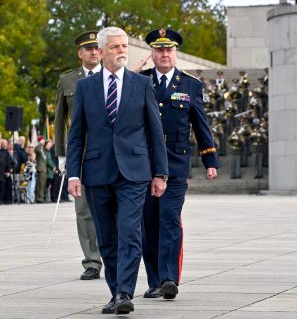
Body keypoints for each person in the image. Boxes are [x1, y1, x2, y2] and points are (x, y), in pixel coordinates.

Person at [66, 26, 168, 315]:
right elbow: (76, 135)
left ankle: (125, 291)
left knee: (130, 232)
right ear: (101, 51)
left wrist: (160, 173)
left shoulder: (141, 84)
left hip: (135, 172)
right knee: (107, 238)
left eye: (124, 46)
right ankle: (115, 291)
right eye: (115, 47)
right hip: (97, 172)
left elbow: (154, 131)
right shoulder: (85, 87)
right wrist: (73, 174)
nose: (122, 51)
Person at [136, 28, 219, 300]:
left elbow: (200, 124)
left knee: (169, 219)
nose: (164, 54)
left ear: (175, 53)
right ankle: (154, 280)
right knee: (148, 222)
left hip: (175, 164)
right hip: (145, 165)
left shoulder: (190, 84)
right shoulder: (141, 81)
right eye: (159, 50)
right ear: (152, 53)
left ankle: (170, 278)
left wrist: (210, 158)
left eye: (169, 50)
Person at [54, 30, 103, 281]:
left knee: (112, 208)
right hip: (81, 153)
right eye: (88, 49)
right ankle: (92, 261)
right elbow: (60, 119)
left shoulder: (113, 77)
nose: (94, 52)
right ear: (80, 53)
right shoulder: (69, 80)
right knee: (83, 210)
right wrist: (62, 156)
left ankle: (113, 255)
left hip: (109, 152)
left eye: (97, 48)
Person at [34, 136, 48, 204]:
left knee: (42, 184)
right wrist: (40, 143)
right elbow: (36, 149)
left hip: (44, 168)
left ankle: (41, 197)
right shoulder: (39, 147)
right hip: (40, 168)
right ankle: (39, 198)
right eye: (43, 140)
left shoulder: (43, 148)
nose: (44, 141)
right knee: (40, 184)